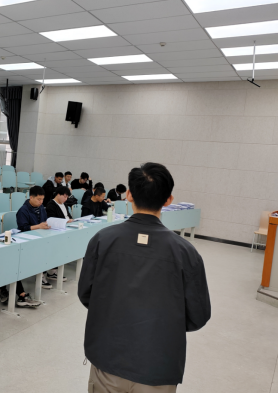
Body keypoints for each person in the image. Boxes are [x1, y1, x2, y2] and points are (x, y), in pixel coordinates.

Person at [79, 163, 211, 393]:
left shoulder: (102, 240)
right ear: (168, 200)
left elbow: (86, 294)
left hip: (108, 359)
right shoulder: (186, 252)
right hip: (158, 367)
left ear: (129, 195)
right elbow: (198, 315)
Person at [16, 186, 54, 290]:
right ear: (31, 197)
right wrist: (39, 226)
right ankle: (40, 275)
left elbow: (44, 221)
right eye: (39, 199)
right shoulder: (23, 210)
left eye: (42, 199)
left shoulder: (41, 208)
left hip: (41, 236)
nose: (41, 202)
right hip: (28, 239)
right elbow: (22, 228)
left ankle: (50, 270)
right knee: (41, 250)